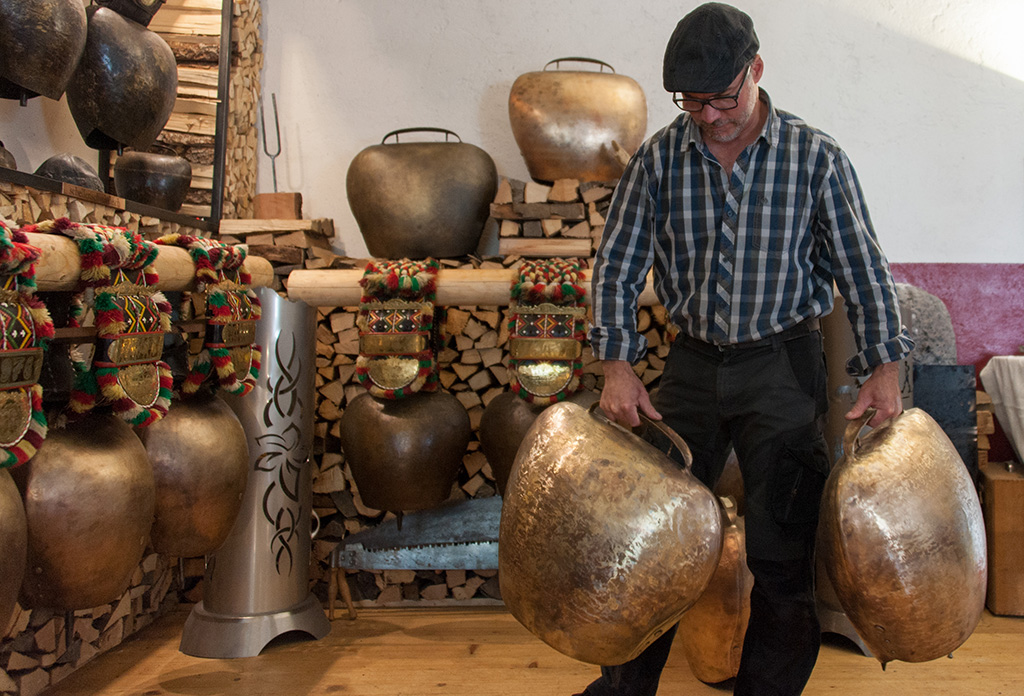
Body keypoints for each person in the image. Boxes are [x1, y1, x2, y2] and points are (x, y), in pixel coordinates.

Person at [581, 3, 914, 696]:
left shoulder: (815, 158)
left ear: (755, 71)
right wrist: (616, 365)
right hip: (693, 364)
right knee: (654, 543)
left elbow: (862, 270)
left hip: (783, 367)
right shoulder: (659, 160)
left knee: (782, 553)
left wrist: (885, 366)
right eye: (691, 102)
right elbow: (616, 266)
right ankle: (622, 690)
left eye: (722, 98)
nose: (707, 116)